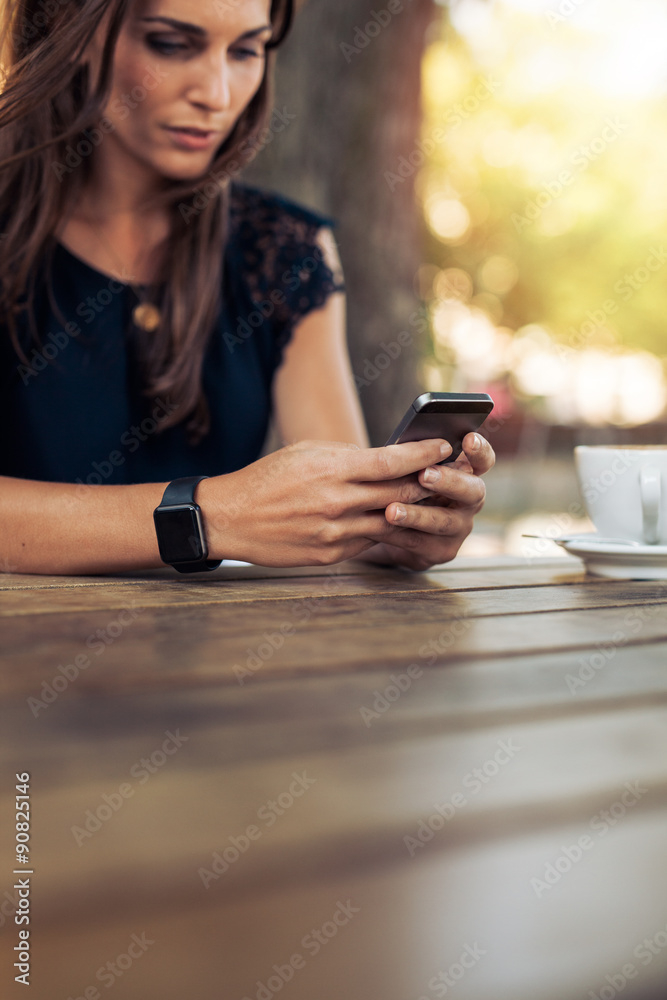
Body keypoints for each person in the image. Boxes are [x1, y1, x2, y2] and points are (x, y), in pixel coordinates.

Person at [0, 0, 495, 576]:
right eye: (171, 44)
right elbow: (227, 518)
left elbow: (342, 517)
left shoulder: (285, 250)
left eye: (244, 51)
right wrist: (208, 516)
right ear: (71, 30)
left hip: (210, 654)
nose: (217, 93)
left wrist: (402, 526)